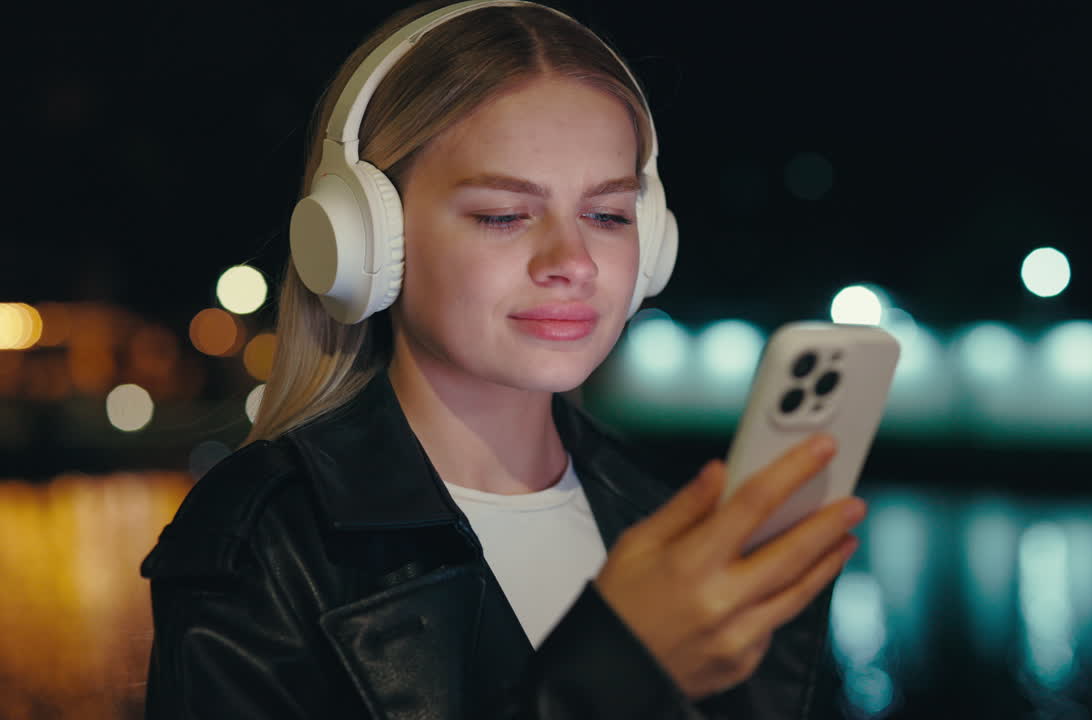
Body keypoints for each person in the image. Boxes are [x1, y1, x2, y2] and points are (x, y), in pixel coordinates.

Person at [141, 1, 869, 718]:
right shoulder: (260, 544)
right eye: (504, 215)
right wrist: (616, 678)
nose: (573, 262)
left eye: (608, 214)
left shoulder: (673, 519)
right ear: (366, 243)